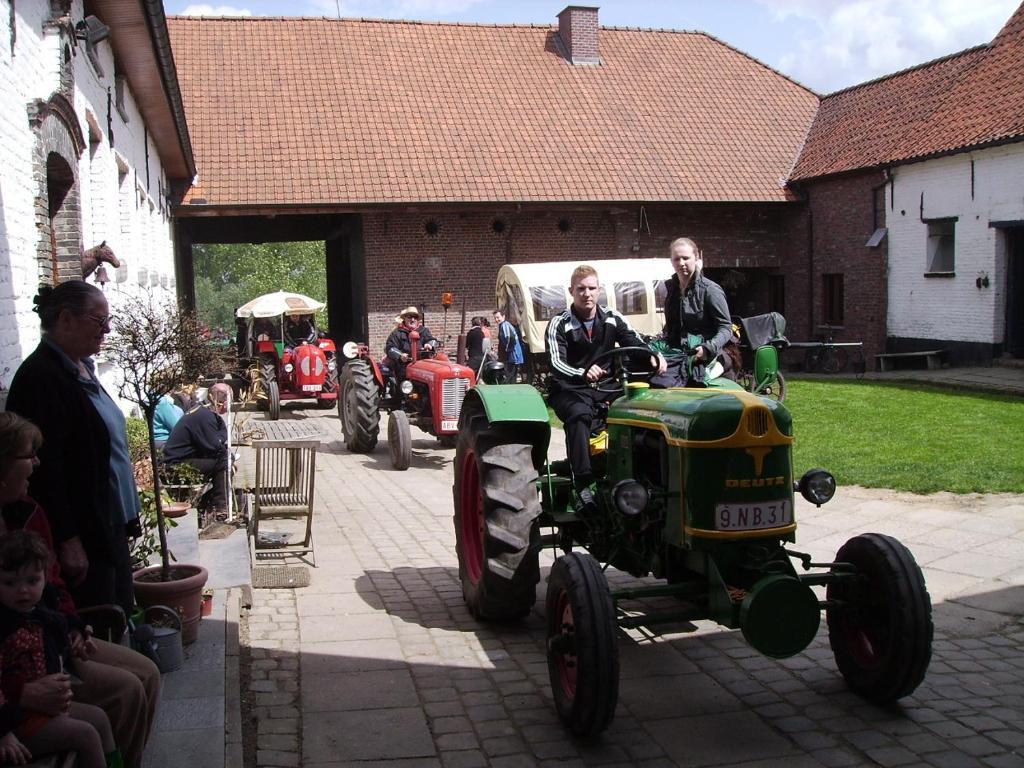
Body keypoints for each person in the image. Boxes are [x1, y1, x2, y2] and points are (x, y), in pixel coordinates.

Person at [0, 411, 160, 768]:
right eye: (29, 455)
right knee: (127, 690)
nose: (37, 463)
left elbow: (52, 579)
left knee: (147, 674)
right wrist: (21, 693)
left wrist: (72, 625)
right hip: (20, 665)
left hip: (52, 640)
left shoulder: (28, 512)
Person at [6, 281, 141, 616]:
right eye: (100, 321)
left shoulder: (81, 368)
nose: (107, 329)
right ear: (66, 318)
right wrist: (68, 540)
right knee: (101, 620)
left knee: (120, 609)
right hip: (85, 533)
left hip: (107, 523)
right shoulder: (42, 378)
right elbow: (47, 471)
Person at [546, 265, 666, 505]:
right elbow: (556, 362)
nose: (586, 293)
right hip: (571, 389)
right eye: (581, 289)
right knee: (579, 416)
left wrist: (653, 355)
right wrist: (582, 373)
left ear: (599, 290)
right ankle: (584, 483)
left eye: (591, 288)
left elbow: (634, 340)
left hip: (607, 388)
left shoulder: (612, 317)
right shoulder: (560, 323)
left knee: (644, 411)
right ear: (571, 291)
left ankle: (646, 477)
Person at [0, 530, 119, 768]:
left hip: (42, 710)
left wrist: (79, 635)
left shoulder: (41, 615)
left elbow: (63, 625)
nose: (22, 590)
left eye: (32, 581)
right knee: (86, 735)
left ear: (45, 578)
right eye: (10, 582)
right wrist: (3, 732)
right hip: (16, 720)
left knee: (100, 719)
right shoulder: (4, 627)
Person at [653, 237, 734, 387]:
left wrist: (707, 348)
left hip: (708, 357)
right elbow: (672, 328)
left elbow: (726, 328)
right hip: (678, 354)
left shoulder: (711, 290)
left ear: (696, 258)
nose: (681, 263)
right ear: (671, 262)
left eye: (686, 258)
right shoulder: (671, 290)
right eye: (677, 259)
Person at [162, 386, 230, 520]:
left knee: (224, 458)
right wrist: (222, 442)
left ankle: (212, 502)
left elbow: (218, 435)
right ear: (225, 402)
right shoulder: (205, 417)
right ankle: (219, 507)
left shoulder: (203, 412)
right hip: (176, 466)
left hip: (182, 460)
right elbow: (214, 446)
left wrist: (221, 439)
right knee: (223, 461)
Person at [385, 306, 438, 380]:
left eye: (415, 317)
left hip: (423, 365)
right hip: (403, 366)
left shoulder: (424, 331)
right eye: (409, 317)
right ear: (404, 318)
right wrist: (400, 355)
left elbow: (433, 340)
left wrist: (429, 345)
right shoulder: (397, 333)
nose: (412, 320)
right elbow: (390, 348)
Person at [493, 310, 524, 384]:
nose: (496, 320)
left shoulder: (505, 325)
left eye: (498, 317)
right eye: (495, 318)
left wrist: (507, 349)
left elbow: (511, 337)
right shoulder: (503, 325)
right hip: (509, 355)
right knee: (511, 375)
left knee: (509, 375)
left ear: (503, 316)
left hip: (511, 355)